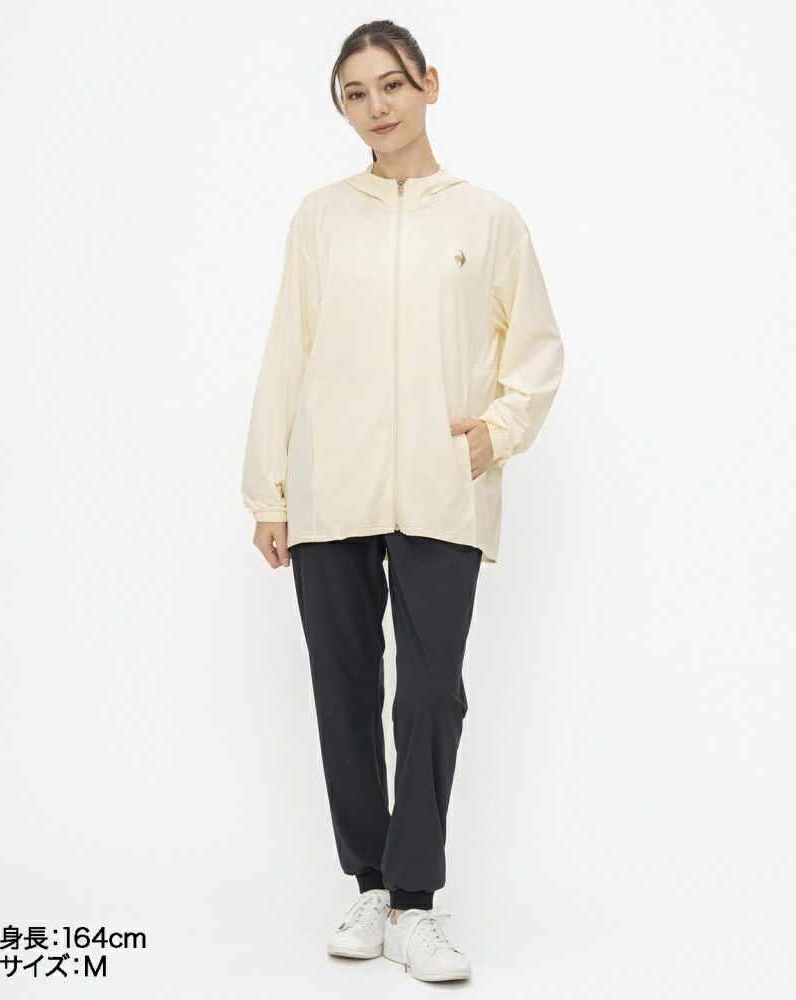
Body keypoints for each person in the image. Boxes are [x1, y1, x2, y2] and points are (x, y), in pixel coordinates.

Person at [240, 19, 565, 983]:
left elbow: (537, 349)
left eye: (391, 84)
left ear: (429, 83)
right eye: (355, 93)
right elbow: (286, 352)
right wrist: (268, 489)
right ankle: (371, 885)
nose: (376, 106)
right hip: (330, 481)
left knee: (430, 694)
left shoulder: (488, 218)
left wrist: (496, 432)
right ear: (341, 109)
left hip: (441, 483)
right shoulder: (319, 218)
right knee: (342, 687)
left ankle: (417, 903)